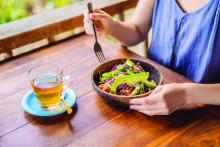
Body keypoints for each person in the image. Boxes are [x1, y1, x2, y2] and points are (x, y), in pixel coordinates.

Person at [83, 0, 220, 115]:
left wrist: (186, 94)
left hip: (205, 113)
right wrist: (112, 26)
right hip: (151, 101)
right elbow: (137, 30)